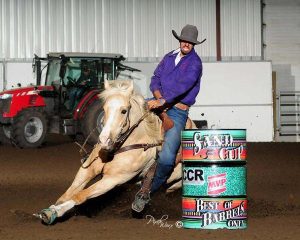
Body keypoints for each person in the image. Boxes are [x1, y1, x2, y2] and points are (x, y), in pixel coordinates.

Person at [132, 24, 206, 212]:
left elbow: (183, 86)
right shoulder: (169, 57)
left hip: (176, 111)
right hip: (158, 101)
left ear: (194, 44)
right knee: (128, 114)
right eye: (184, 40)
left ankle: (147, 191)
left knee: (166, 158)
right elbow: (155, 78)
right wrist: (158, 98)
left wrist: (164, 101)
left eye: (190, 42)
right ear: (180, 40)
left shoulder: (195, 63)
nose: (186, 44)